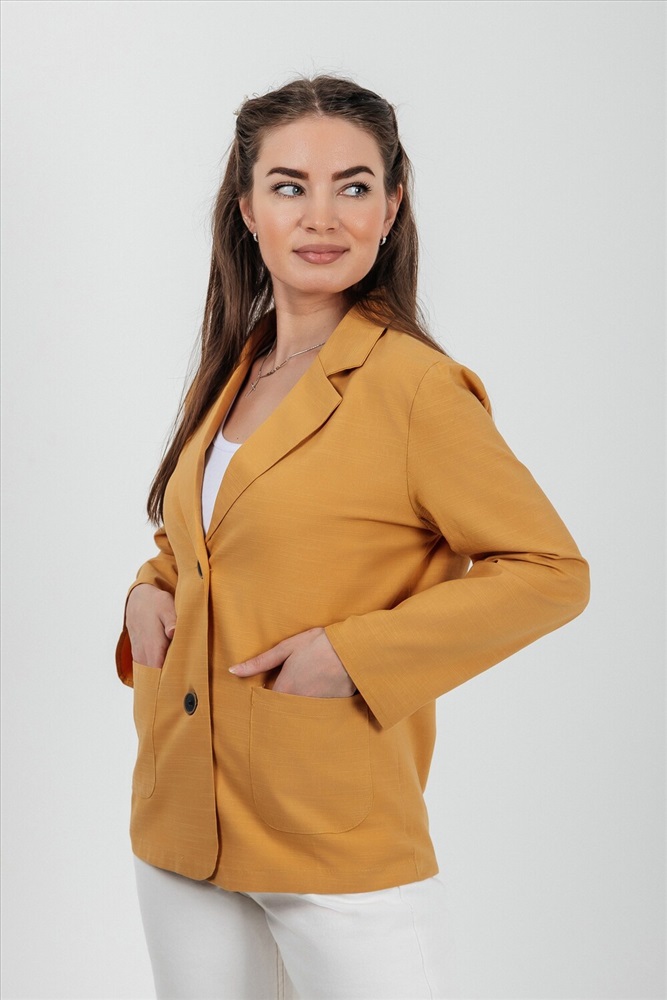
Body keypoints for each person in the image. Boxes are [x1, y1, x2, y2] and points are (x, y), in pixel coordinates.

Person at [116, 75, 589, 1000]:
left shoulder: (415, 388)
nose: (321, 216)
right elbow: (203, 542)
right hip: (181, 821)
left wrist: (354, 655)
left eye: (354, 186)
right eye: (289, 186)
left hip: (333, 835)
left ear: (391, 206)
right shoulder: (238, 365)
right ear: (246, 209)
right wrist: (147, 588)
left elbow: (549, 571)